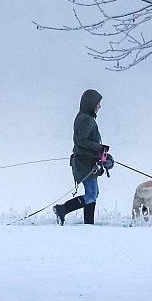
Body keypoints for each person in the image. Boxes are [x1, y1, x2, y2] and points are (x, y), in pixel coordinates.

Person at [54, 88, 113, 225]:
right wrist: (100, 148)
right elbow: (82, 141)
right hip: (85, 163)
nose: (99, 106)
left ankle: (88, 223)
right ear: (91, 104)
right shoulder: (86, 119)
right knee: (91, 194)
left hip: (86, 162)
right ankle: (62, 209)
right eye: (97, 103)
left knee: (93, 194)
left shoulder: (85, 117)